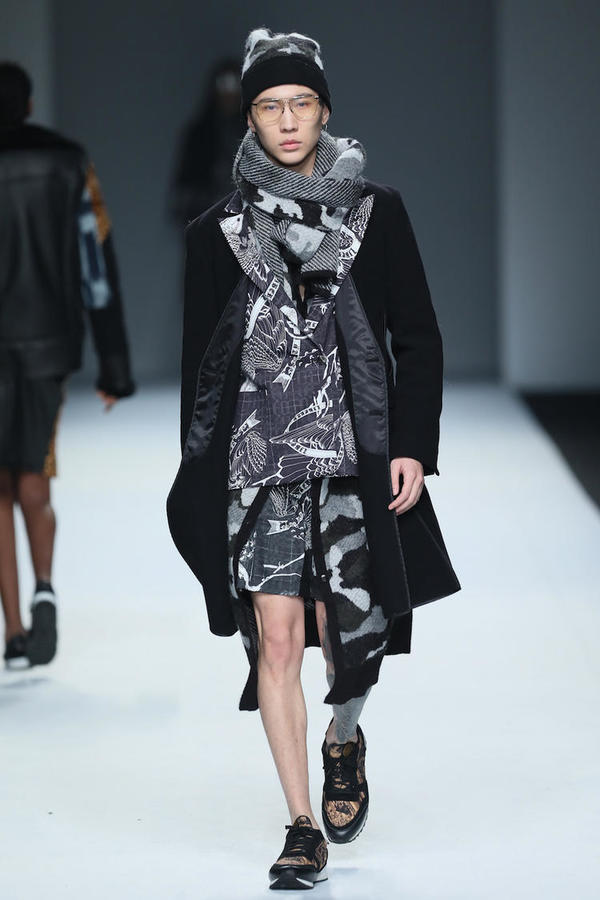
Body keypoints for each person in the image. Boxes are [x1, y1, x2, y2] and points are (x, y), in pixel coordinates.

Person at [167, 28, 460, 891]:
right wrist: (199, 473)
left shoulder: (376, 212)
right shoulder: (218, 231)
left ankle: (343, 736)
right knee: (277, 639)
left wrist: (413, 447)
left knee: (348, 633)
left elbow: (418, 335)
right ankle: (301, 826)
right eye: (271, 105)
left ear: (325, 110)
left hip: (350, 458)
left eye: (301, 103)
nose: (288, 120)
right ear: (250, 119)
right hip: (256, 465)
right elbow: (201, 367)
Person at [0, 62, 135, 670]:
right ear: (29, 104)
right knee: (35, 475)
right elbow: (94, 261)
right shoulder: (67, 161)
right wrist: (114, 365)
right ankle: (46, 588)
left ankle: (13, 630)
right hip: (48, 345)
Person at [168, 58, 247, 227]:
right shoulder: (200, 134)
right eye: (224, 83)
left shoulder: (255, 133)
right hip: (207, 216)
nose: (229, 92)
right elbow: (185, 185)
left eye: (234, 84)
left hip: (245, 218)